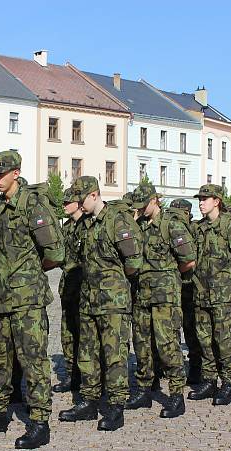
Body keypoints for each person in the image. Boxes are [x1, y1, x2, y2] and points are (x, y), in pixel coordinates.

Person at [0, 151, 64, 450]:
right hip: (2, 297)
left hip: (28, 300)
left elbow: (55, 253)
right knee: (1, 358)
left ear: (16, 173)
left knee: (33, 361)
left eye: (1, 173)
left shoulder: (34, 206)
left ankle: (39, 421)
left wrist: (29, 271)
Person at [58, 175, 141, 431]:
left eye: (82, 199)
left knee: (114, 354)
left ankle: (116, 406)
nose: (79, 205)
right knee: (88, 353)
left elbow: (133, 262)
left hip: (112, 301)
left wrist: (114, 283)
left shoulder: (117, 220)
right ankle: (89, 400)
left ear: (94, 195)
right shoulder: (86, 224)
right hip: (89, 300)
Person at [126, 183, 195, 418]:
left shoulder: (171, 225)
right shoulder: (139, 226)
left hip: (165, 298)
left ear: (155, 200)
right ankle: (144, 390)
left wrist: (168, 278)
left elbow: (188, 260)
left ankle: (176, 395)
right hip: (142, 296)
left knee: (167, 346)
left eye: (143, 205)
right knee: (142, 345)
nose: (141, 210)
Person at [187, 184, 231, 405]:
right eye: (200, 199)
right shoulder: (199, 228)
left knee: (223, 341)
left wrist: (225, 279)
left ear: (217, 201)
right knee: (204, 340)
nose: (201, 202)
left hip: (223, 296)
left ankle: (229, 383)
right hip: (201, 294)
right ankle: (210, 380)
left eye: (205, 199)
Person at [54, 187, 85, 393]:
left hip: (84, 289)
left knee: (85, 335)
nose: (64, 205)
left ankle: (87, 377)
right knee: (68, 333)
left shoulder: (87, 226)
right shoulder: (66, 228)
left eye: (68, 202)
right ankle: (71, 374)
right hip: (68, 288)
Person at [169, 198, 202, 384]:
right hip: (174, 287)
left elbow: (192, 259)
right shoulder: (170, 229)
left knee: (192, 328)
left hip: (190, 285)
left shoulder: (194, 230)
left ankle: (196, 366)